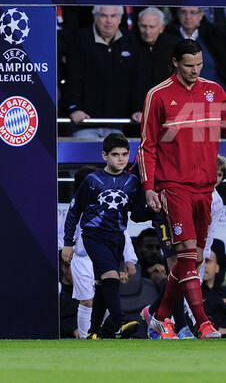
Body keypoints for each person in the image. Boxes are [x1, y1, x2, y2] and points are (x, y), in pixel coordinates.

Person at [140, 39, 226, 340]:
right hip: (174, 186)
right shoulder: (158, 96)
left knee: (195, 259)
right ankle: (202, 322)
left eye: (199, 64)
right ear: (175, 63)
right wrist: (149, 187)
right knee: (186, 254)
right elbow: (148, 146)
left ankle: (159, 316)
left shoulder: (214, 91)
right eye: (189, 65)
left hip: (205, 188)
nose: (195, 70)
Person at [61, 133, 141, 339]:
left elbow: (137, 212)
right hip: (94, 235)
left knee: (101, 284)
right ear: (105, 155)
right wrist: (68, 243)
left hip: (117, 236)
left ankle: (94, 331)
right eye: (115, 154)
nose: (121, 159)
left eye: (124, 154)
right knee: (110, 276)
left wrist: (156, 209)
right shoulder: (92, 180)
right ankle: (120, 321)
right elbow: (74, 211)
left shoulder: (132, 182)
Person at [61, 5, 143, 137]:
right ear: (95, 17)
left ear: (120, 19)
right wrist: (74, 108)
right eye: (104, 16)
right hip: (85, 122)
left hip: (119, 124)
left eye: (113, 16)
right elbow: (73, 78)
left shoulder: (129, 39)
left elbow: (137, 79)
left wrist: (138, 109)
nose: (108, 21)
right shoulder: (81, 38)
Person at [170, 6, 226, 103]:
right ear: (178, 14)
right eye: (183, 12)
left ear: (201, 15)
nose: (188, 17)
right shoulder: (168, 36)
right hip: (180, 102)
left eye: (193, 12)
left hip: (217, 101)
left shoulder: (219, 33)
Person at [136, 7, 179, 93]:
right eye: (143, 26)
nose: (147, 31)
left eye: (152, 27)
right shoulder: (131, 44)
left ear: (161, 27)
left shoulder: (173, 45)